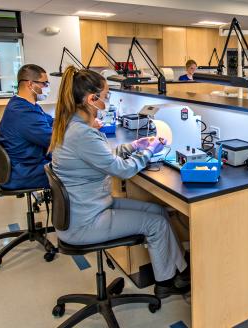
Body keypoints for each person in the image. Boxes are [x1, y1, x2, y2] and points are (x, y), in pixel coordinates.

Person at [50, 66, 189, 299]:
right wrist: (150, 151)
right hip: (85, 222)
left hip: (86, 208)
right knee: (157, 225)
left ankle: (181, 271)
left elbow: (103, 155)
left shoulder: (72, 125)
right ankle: (165, 283)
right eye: (105, 97)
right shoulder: (82, 133)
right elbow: (122, 170)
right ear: (91, 99)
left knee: (158, 211)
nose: (107, 102)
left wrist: (135, 145)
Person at [0, 64, 54, 190]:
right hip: (24, 173)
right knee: (73, 171)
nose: (47, 88)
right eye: (44, 84)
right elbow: (53, 139)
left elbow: (50, 121)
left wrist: (71, 122)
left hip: (27, 166)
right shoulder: (22, 112)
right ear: (30, 84)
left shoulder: (25, 104)